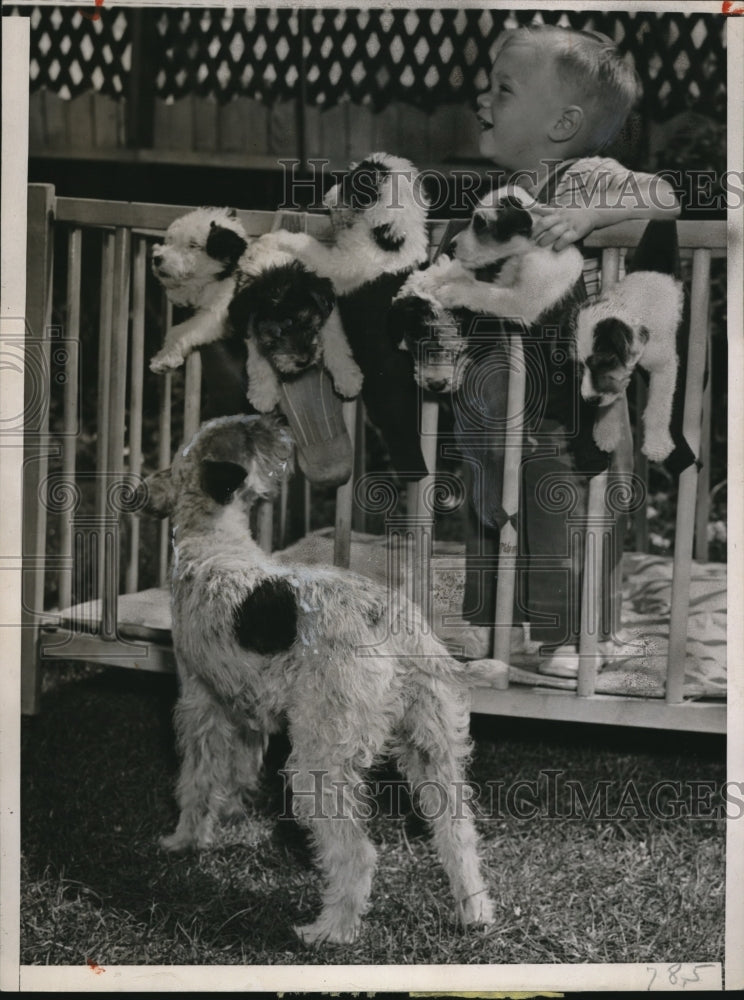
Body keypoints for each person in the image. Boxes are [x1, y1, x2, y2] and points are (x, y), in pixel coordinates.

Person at [454, 24, 681, 675]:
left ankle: (582, 631)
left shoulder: (587, 178)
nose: (481, 100)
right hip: (519, 378)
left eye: (504, 88)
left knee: (587, 498)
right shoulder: (507, 197)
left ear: (563, 123)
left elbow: (663, 197)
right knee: (497, 493)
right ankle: (496, 619)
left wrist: (591, 219)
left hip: (583, 382)